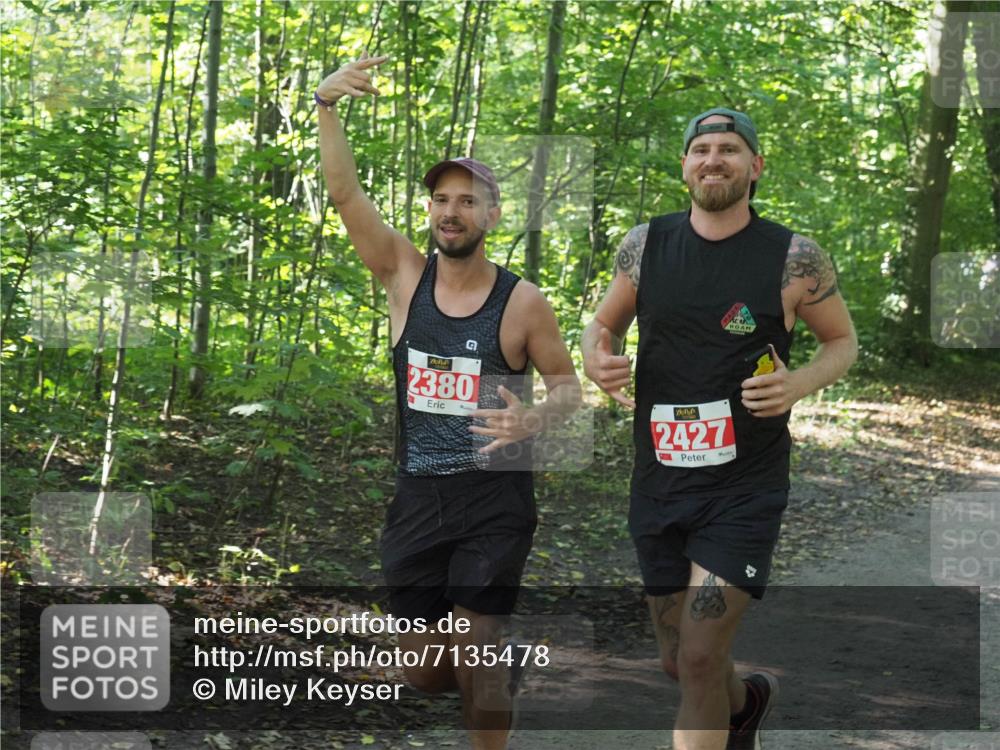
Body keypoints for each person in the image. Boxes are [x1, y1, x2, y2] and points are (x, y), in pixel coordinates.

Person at [315, 55, 581, 750]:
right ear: (429, 211)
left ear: (492, 214)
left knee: (478, 652)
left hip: (493, 501)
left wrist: (537, 417)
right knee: (428, 673)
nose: (451, 211)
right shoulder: (405, 276)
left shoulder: (522, 303)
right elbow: (346, 198)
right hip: (417, 500)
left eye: (467, 200)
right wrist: (327, 107)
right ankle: (483, 666)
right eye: (441, 200)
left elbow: (569, 387)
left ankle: (490, 674)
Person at [582, 107, 857, 750]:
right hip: (659, 481)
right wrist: (598, 355)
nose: (713, 159)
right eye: (700, 148)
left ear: (755, 165)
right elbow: (603, 325)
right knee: (680, 661)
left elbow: (841, 342)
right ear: (684, 165)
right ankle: (747, 702)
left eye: (729, 148)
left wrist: (799, 382)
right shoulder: (645, 245)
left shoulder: (794, 258)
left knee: (702, 656)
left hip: (745, 486)